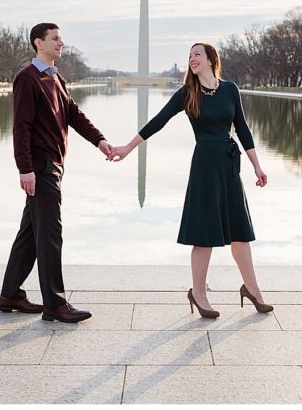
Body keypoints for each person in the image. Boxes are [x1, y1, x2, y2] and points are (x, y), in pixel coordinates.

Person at [110, 42, 273, 318]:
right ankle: (198, 293)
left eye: (197, 54)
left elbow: (242, 128)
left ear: (211, 59)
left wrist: (257, 166)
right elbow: (159, 121)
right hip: (205, 166)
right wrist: (128, 147)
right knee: (206, 232)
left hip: (229, 165)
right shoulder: (188, 93)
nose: (191, 59)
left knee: (240, 230)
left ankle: (253, 289)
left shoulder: (230, 89)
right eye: (189, 56)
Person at [0, 22, 115, 323]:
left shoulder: (54, 77)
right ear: (39, 43)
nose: (61, 43)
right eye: (55, 38)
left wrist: (100, 140)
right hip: (40, 167)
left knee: (30, 234)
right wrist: (25, 168)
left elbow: (74, 113)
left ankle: (11, 293)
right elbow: (21, 127)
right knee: (50, 235)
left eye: (61, 38)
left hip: (52, 165)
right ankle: (55, 302)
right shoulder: (28, 78)